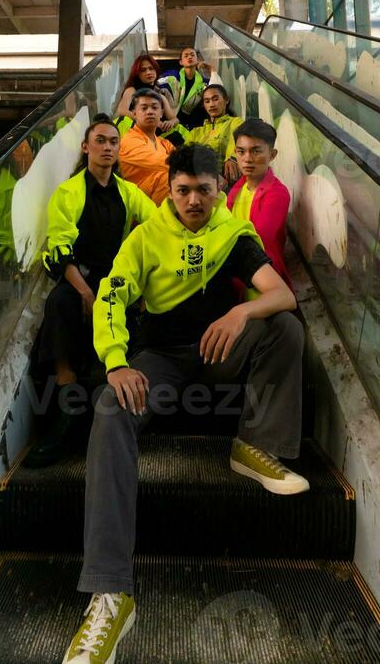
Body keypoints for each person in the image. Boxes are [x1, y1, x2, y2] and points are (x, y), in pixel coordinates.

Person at [62, 145, 307, 663]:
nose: (194, 200)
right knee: (110, 412)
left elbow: (280, 294)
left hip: (218, 351)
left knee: (283, 326)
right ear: (169, 190)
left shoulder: (233, 231)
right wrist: (116, 361)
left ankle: (255, 445)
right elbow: (110, 297)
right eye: (183, 190)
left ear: (221, 187)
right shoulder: (145, 236)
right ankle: (111, 594)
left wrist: (241, 315)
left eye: (204, 190)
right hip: (162, 359)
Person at [25, 114, 155, 467]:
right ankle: (67, 406)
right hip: (79, 278)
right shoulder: (69, 192)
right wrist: (85, 292)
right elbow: (59, 246)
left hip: (116, 278)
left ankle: (117, 410)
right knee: (59, 303)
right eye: (100, 140)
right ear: (86, 147)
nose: (108, 147)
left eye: (114, 141)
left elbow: (158, 226)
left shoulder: (129, 192)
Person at [227, 118, 292, 289]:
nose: (247, 159)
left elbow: (258, 239)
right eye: (241, 152)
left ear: (272, 155)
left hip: (262, 282)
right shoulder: (239, 186)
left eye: (256, 151)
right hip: (235, 274)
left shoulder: (277, 193)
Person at [118, 89, 176, 204]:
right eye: (144, 108)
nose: (149, 112)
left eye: (154, 108)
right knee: (166, 178)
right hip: (133, 203)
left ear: (161, 113)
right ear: (134, 113)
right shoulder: (130, 140)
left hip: (154, 197)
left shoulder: (164, 143)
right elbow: (164, 163)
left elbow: (182, 157)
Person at [187, 83, 243, 183]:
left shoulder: (235, 122)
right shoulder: (195, 132)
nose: (211, 104)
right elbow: (185, 157)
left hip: (226, 180)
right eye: (207, 101)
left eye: (215, 99)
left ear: (226, 100)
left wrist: (233, 158)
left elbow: (240, 139)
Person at [158, 47, 217, 130]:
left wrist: (212, 70)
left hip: (188, 125)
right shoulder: (171, 76)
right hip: (165, 121)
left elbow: (217, 91)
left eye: (192, 55)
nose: (189, 57)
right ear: (181, 62)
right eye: (186, 56)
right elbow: (155, 87)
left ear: (197, 60)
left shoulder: (204, 83)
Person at [115, 54, 177, 132]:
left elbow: (174, 118)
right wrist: (148, 120)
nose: (148, 72)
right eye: (143, 70)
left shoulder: (161, 95)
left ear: (156, 70)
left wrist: (171, 122)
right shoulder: (131, 90)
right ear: (137, 74)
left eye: (151, 68)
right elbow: (122, 111)